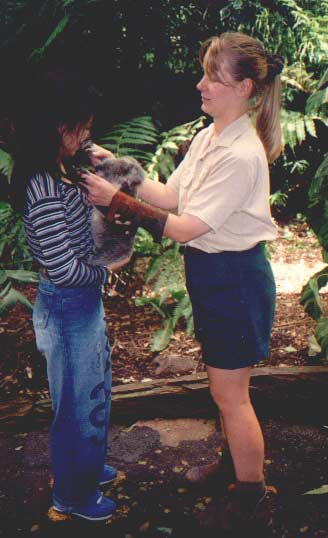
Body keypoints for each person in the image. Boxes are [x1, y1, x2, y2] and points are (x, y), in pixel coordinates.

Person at [81, 31, 283, 530]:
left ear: (243, 88)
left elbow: (187, 227)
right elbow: (170, 197)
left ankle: (251, 492)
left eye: (212, 78)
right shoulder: (209, 136)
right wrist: (117, 168)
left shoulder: (240, 154)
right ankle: (236, 468)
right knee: (224, 392)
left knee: (231, 397)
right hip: (214, 277)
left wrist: (117, 202)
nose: (201, 85)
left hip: (234, 280)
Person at [11, 69, 130, 521]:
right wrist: (106, 272)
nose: (89, 135)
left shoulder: (64, 170)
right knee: (74, 407)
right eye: (83, 128)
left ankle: (88, 467)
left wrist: (107, 165)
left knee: (96, 390)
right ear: (60, 129)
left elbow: (108, 203)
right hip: (63, 305)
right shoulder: (40, 188)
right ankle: (72, 496)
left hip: (82, 303)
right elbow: (61, 267)